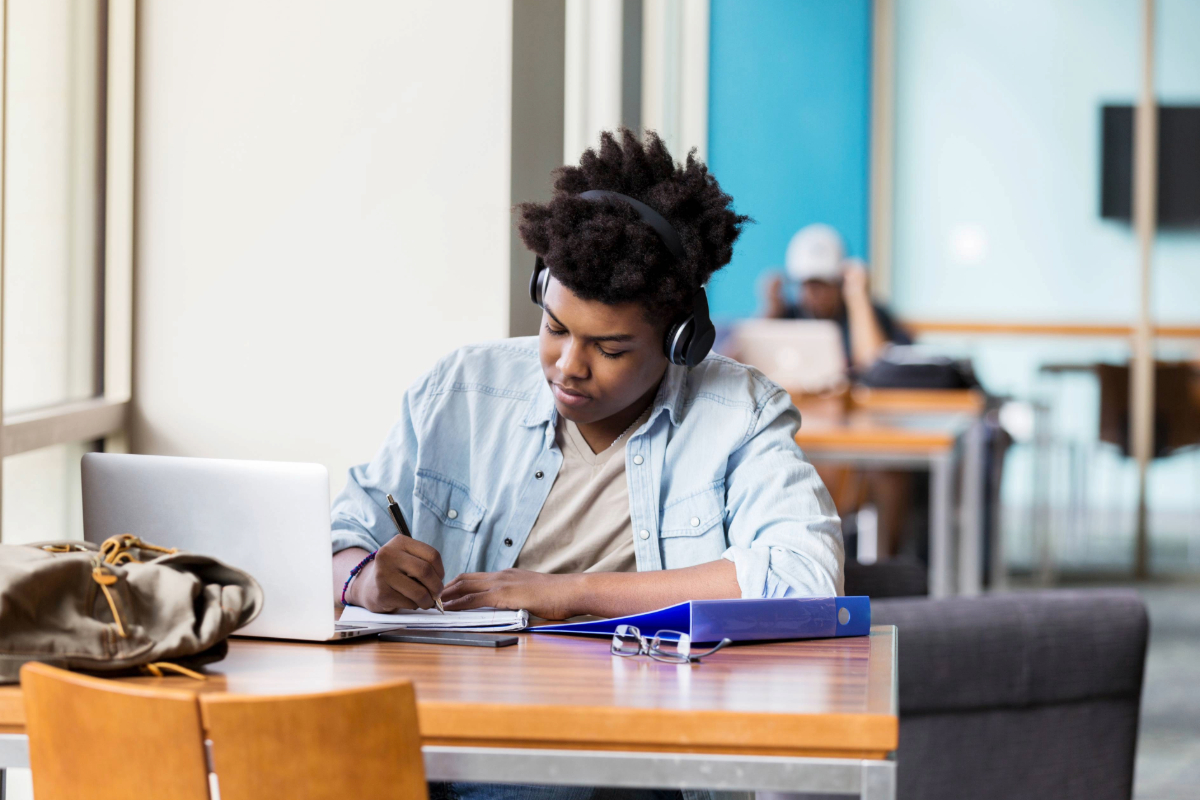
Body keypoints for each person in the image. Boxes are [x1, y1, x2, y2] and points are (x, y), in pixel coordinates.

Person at [330, 129, 841, 620]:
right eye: (555, 328)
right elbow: (340, 533)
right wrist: (362, 577)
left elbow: (803, 577)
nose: (569, 367)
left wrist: (572, 593)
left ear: (680, 340)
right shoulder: (462, 389)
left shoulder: (739, 416)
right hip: (465, 698)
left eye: (610, 349)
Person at [762, 224, 910, 370]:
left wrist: (858, 298)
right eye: (806, 284)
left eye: (822, 284)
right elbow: (756, 362)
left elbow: (875, 366)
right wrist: (771, 312)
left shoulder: (872, 315)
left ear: (840, 282)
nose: (813, 293)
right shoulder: (788, 316)